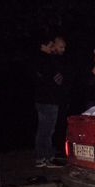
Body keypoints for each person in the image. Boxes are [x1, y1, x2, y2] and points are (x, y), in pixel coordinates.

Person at [32, 35, 67, 168]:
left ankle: (44, 156)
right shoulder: (45, 60)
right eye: (51, 45)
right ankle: (45, 157)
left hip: (43, 99)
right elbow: (55, 80)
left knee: (44, 129)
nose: (53, 48)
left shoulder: (41, 59)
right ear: (44, 45)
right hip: (48, 100)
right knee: (46, 130)